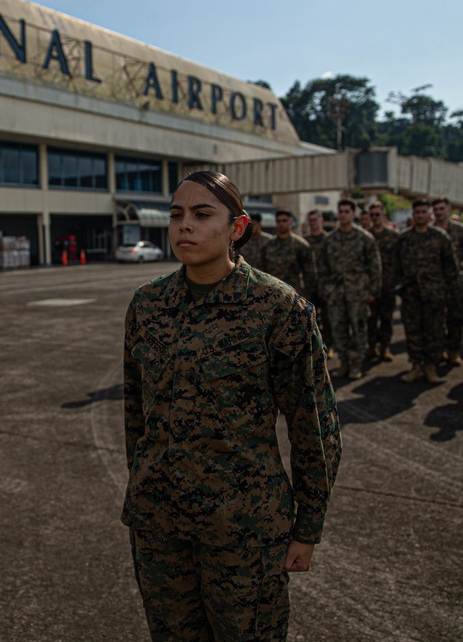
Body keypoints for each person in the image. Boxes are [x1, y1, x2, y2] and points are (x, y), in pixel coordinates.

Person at [122, 171, 341, 641]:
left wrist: (308, 527)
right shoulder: (149, 304)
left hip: (243, 528)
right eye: (177, 215)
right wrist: (139, 484)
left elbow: (314, 426)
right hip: (160, 526)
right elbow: (135, 413)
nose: (185, 226)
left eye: (203, 215)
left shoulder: (278, 308)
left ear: (236, 228)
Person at [394, 198, 460, 384]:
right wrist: (400, 288)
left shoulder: (440, 237)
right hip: (411, 294)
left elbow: (451, 268)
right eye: (417, 213)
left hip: (434, 294)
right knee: (413, 331)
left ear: (429, 214)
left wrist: (449, 292)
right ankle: (415, 366)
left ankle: (431, 367)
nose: (420, 215)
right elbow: (395, 267)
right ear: (413, 215)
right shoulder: (404, 238)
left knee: (434, 331)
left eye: (424, 212)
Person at [319, 199, 380, 379]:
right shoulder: (330, 240)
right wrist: (326, 290)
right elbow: (323, 268)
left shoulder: (365, 238)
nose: (343, 214)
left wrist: (372, 291)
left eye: (347, 211)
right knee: (339, 328)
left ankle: (356, 364)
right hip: (336, 292)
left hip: (358, 291)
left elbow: (375, 267)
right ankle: (344, 362)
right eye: (341, 211)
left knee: (358, 328)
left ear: (354, 214)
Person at [432, 196, 463, 366]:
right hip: (435, 284)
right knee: (436, 320)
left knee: (455, 319)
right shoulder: (429, 232)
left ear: (448, 210)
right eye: (436, 210)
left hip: (455, 283)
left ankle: (453, 351)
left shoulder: (462, 231)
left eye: (441, 209)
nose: (438, 213)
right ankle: (439, 350)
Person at [367, 200, 399, 361]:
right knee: (370, 319)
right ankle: (371, 347)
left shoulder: (393, 236)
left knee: (386, 318)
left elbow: (400, 260)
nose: (375, 217)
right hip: (370, 286)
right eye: (372, 215)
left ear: (383, 214)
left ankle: (385, 347)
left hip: (388, 285)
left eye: (377, 214)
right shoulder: (366, 236)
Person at [261, 209, 315, 298]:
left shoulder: (300, 245)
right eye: (278, 221)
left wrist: (306, 295)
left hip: (294, 294)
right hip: (272, 294)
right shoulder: (268, 246)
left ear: (291, 222)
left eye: (284, 220)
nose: (281, 224)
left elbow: (310, 274)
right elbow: (262, 270)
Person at [305, 209, 335, 357]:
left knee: (328, 318)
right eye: (310, 220)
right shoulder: (305, 242)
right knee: (311, 318)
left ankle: (329, 346)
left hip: (326, 284)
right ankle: (314, 347)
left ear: (321, 221)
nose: (313, 223)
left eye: (315, 220)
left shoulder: (329, 240)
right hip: (310, 285)